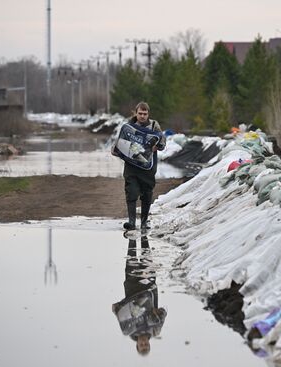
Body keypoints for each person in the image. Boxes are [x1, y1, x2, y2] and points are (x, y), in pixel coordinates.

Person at [113, 102, 166, 231]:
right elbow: (120, 142)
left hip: (148, 167)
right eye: (140, 113)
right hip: (131, 166)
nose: (142, 116)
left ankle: (144, 222)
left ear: (148, 114)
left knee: (147, 194)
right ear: (135, 113)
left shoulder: (154, 126)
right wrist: (116, 149)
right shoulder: (129, 127)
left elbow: (162, 141)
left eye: (145, 114)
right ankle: (131, 222)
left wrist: (157, 147)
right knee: (131, 192)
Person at [112, 236, 167, 355]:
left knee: (131, 253)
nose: (143, 343)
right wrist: (159, 313)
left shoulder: (127, 329)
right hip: (149, 286)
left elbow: (121, 313)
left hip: (132, 286)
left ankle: (132, 234)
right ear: (149, 343)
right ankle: (143, 233)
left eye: (141, 346)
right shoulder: (155, 330)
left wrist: (116, 309)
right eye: (146, 345)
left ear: (137, 345)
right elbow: (164, 312)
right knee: (146, 253)